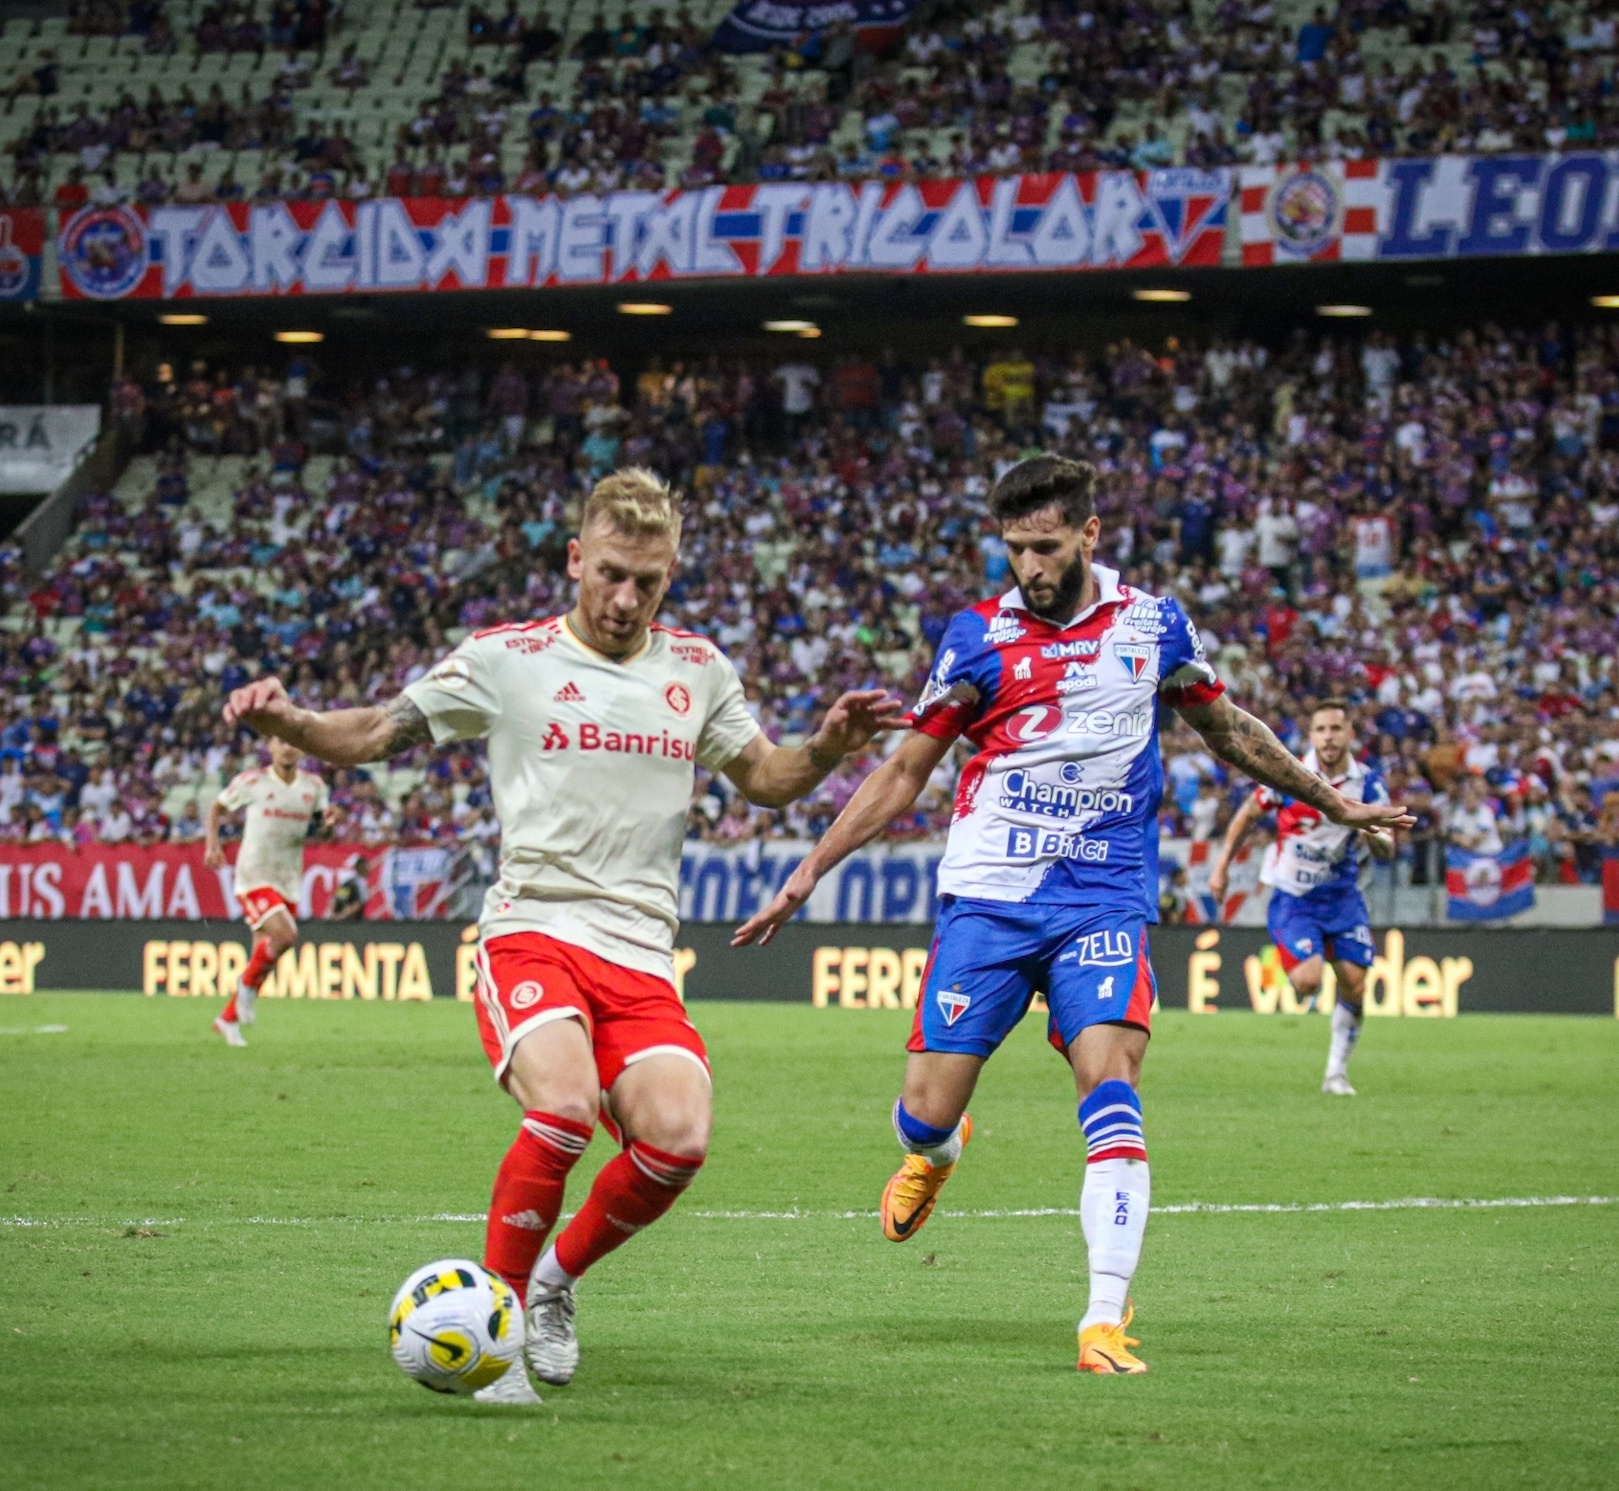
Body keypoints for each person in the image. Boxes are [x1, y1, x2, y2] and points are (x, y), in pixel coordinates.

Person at [221, 468, 902, 1405]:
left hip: (638, 949)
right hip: (532, 929)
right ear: (576, 559)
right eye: (612, 573)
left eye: (649, 582)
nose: (626, 599)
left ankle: (550, 1284)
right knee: (566, 1107)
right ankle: (494, 1332)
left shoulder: (696, 670)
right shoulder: (508, 659)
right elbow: (380, 728)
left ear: (670, 577)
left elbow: (768, 776)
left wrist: (825, 746)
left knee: (678, 1138)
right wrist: (293, 719)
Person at [734, 455, 1410, 1376]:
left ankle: (1101, 1319)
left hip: (1102, 899)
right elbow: (903, 773)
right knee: (924, 1113)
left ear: (1089, 535)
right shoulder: (974, 637)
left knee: (1112, 1084)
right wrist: (808, 870)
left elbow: (1228, 728)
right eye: (1014, 548)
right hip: (989, 900)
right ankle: (937, 1152)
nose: (1029, 565)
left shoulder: (1151, 624)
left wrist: (1329, 799)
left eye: (1045, 546)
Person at [1207, 701, 1395, 1097]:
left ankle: (1335, 1074)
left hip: (1343, 896)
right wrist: (1222, 864)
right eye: (1321, 729)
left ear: (1349, 734)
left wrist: (1377, 837)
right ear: (1311, 736)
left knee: (1356, 985)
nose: (1329, 737)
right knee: (1307, 983)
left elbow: (1387, 849)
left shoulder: (1367, 785)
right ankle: (1303, 955)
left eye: (1336, 729)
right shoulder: (1290, 774)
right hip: (1294, 895)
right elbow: (1247, 814)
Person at [205, 737, 334, 1046]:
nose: (287, 748)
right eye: (280, 742)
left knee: (265, 955)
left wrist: (329, 824)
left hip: (288, 877)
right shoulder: (253, 781)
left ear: (302, 749)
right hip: (254, 873)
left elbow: (322, 829)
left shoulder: (314, 787)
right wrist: (213, 844)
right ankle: (245, 989)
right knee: (286, 936)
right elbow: (216, 808)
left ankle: (227, 1019)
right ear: (270, 748)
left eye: (293, 742)